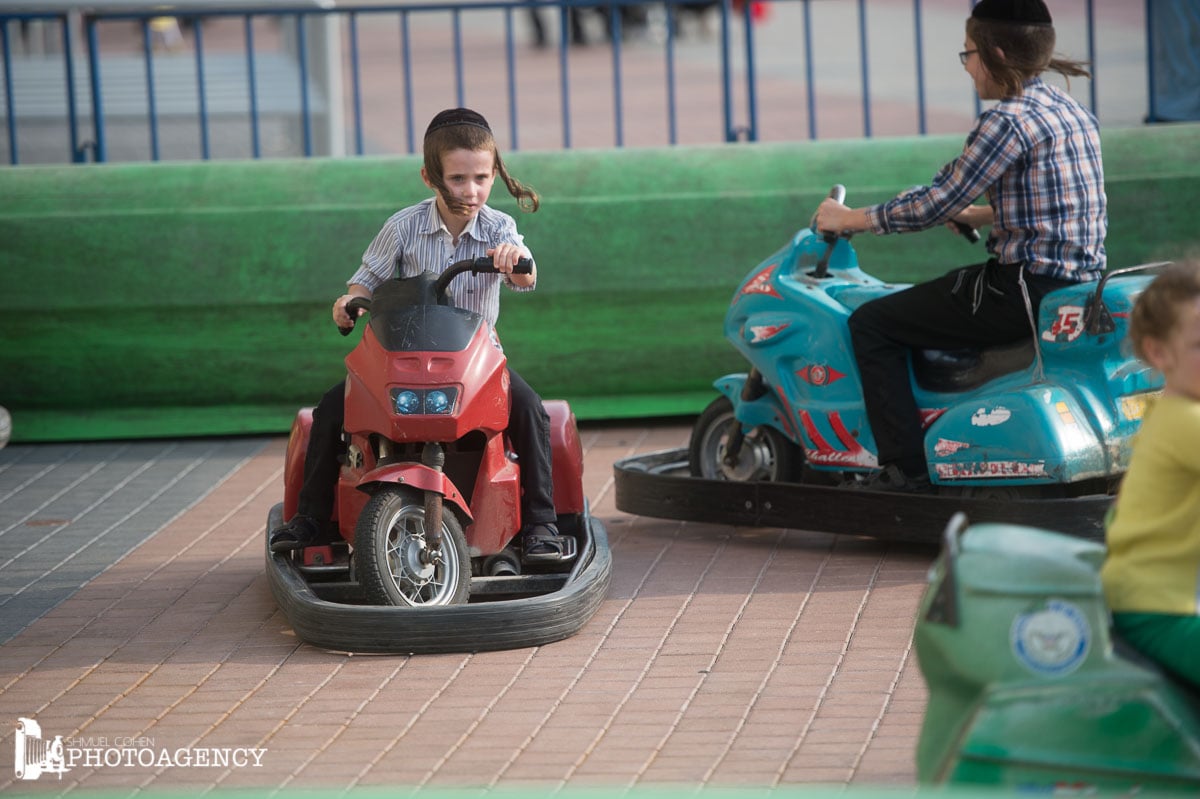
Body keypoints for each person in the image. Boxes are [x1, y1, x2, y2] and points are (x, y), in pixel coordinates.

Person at [812, 0, 1106, 493]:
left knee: (873, 322)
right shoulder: (1072, 112)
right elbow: (1064, 203)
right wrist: (979, 214)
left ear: (993, 53)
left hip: (1019, 289)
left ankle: (904, 471)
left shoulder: (1007, 121)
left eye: (967, 54)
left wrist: (850, 219)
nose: (967, 67)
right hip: (1076, 285)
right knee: (929, 300)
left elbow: (933, 201)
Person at [269, 107, 572, 564]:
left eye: (482, 178)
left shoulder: (498, 229)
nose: (471, 191)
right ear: (430, 177)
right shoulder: (403, 227)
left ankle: (541, 526)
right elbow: (363, 283)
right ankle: (312, 519)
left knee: (530, 411)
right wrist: (347, 303)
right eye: (457, 179)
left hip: (476, 366)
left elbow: (526, 275)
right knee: (332, 410)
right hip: (403, 362)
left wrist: (516, 259)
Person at [1100, 261, 1200, 688]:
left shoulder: (1167, 414)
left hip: (1147, 595)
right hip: (1158, 607)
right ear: (1159, 353)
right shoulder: (1186, 421)